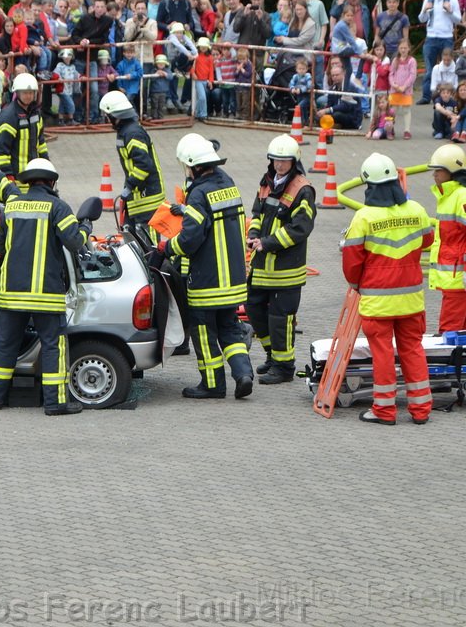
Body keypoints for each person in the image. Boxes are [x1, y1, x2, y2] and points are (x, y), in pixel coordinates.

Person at [0, 158, 91, 415]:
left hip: (11, 293)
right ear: (52, 181)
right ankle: (55, 403)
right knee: (54, 345)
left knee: (4, 344)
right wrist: (85, 227)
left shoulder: (10, 206)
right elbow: (75, 243)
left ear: (27, 181)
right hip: (45, 294)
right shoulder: (58, 207)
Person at [342, 153, 435, 425]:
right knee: (413, 351)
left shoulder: (364, 217)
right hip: (411, 301)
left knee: (382, 354)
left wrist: (357, 285)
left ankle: (384, 411)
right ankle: (421, 410)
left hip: (377, 302)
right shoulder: (416, 210)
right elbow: (427, 240)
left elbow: (352, 263)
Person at [161, 133, 254, 399]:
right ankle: (243, 374)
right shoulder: (228, 182)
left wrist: (167, 248)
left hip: (207, 280)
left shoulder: (199, 193)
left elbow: (190, 239)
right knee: (230, 328)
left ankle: (213, 385)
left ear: (193, 165)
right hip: (234, 278)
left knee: (203, 333)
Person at [246, 134, 316, 384]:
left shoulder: (302, 189)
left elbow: (300, 228)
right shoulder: (266, 182)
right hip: (262, 265)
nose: (279, 165)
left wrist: (267, 242)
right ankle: (272, 356)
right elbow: (257, 213)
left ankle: (284, 367)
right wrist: (254, 235)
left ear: (294, 161)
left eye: (284, 161)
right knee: (253, 309)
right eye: (275, 160)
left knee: (281, 318)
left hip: (286, 269)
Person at [427, 144, 466, 333]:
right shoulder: (449, 195)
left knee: (449, 328)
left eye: (438, 171)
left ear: (452, 172)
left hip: (459, 275)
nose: (434, 175)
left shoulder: (464, 197)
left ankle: (451, 358)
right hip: (454, 273)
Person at [98, 91, 166, 237]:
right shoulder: (126, 131)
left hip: (148, 199)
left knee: (149, 247)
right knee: (133, 240)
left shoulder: (133, 133)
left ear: (115, 116)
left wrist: (129, 185)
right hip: (138, 197)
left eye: (107, 115)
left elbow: (144, 165)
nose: (106, 119)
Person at [0, 72, 47, 181]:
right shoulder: (9, 116)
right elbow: (1, 151)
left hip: (35, 176)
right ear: (17, 93)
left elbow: (40, 142)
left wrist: (46, 165)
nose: (28, 96)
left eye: (31, 93)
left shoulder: (35, 113)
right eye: (25, 93)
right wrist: (9, 175)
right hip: (17, 179)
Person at [417, 0, 461, 104]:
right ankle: (426, 96)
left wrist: (450, 11)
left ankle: (449, 96)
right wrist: (425, 9)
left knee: (448, 67)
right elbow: (421, 19)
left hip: (446, 37)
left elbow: (457, 20)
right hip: (431, 37)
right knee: (429, 69)